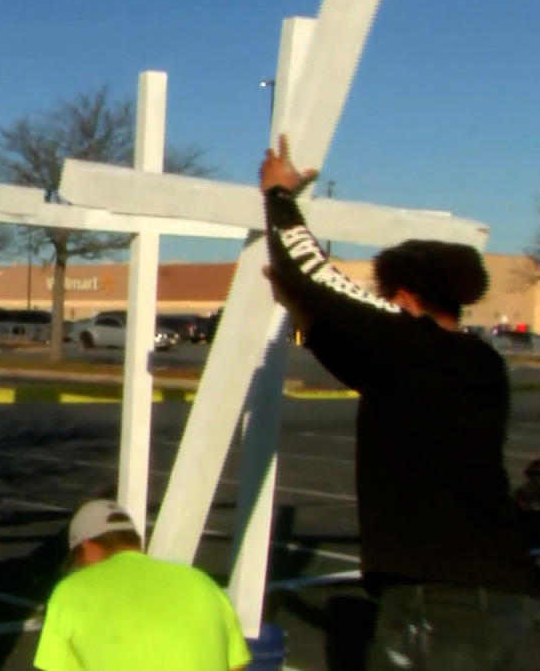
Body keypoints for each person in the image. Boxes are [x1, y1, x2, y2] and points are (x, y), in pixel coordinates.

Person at [259, 135, 540, 668]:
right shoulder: (483, 366)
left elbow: (317, 276)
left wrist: (278, 196)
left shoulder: (407, 342)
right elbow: (365, 363)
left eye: (390, 300)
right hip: (513, 597)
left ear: (406, 299)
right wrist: (306, 318)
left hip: (436, 599)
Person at [34, 499, 252, 670]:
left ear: (86, 546)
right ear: (135, 542)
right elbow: (236, 665)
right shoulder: (202, 583)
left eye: (77, 560)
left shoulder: (70, 591)